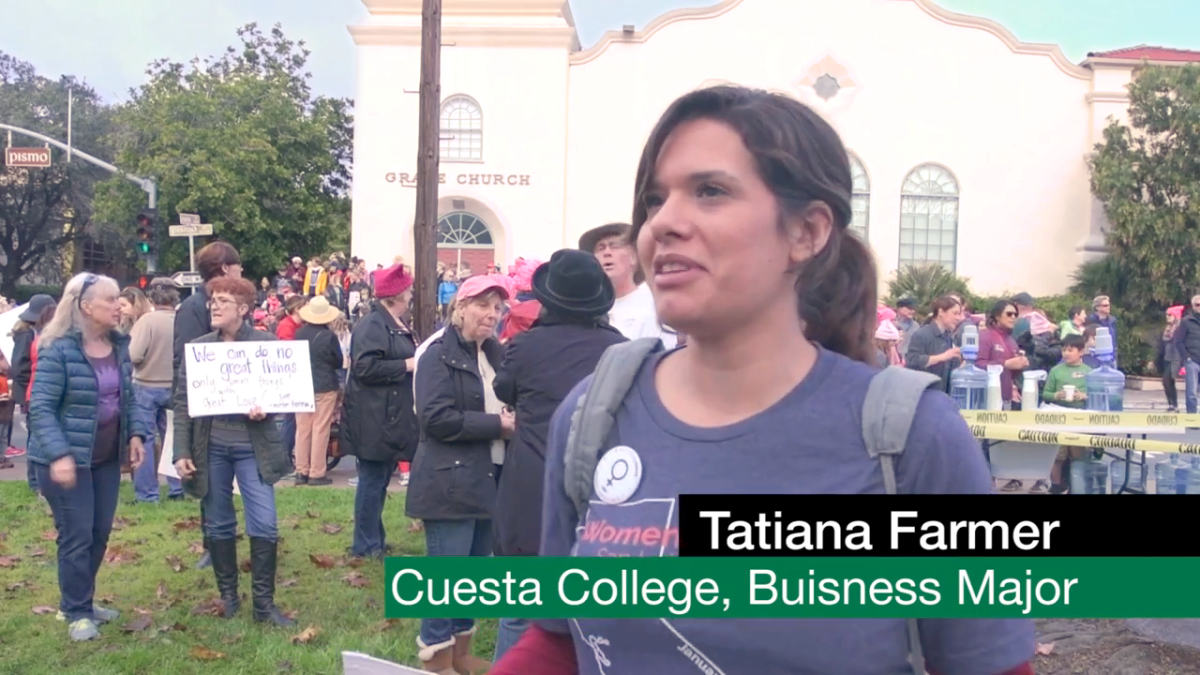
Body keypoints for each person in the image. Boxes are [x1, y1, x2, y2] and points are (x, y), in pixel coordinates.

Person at [491, 85, 1034, 675]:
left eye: (710, 191)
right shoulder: (593, 414)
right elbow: (558, 640)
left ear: (807, 232)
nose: (663, 222)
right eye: (654, 199)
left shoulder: (913, 440)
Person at [490, 250, 627, 661]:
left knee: (520, 608)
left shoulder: (525, 347)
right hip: (599, 488)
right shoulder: (620, 351)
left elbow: (504, 390)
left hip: (532, 482)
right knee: (594, 611)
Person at [27, 273, 148, 641]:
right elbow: (41, 408)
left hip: (105, 459)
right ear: (85, 307)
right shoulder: (58, 349)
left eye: (119, 300)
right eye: (110, 300)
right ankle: (75, 611)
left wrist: (137, 433)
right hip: (65, 462)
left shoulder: (118, 344)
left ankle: (83, 599)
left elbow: (129, 396)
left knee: (99, 533)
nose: (119, 305)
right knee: (76, 535)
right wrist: (59, 454)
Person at [406, 275, 515, 675]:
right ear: (461, 307)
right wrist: (497, 426)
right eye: (484, 305)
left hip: (489, 476)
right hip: (447, 479)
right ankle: (436, 659)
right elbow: (434, 419)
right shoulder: (436, 352)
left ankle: (462, 653)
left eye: (498, 307)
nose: (492, 315)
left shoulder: (494, 352)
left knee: (471, 574)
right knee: (446, 574)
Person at [173, 276, 294, 627]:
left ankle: (263, 604)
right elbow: (183, 403)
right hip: (210, 448)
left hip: (252, 448)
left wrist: (266, 409)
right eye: (213, 299)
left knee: (265, 522)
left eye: (223, 300)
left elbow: (283, 394)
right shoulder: (199, 347)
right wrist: (181, 449)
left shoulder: (266, 345)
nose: (214, 305)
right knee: (218, 521)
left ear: (243, 309)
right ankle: (228, 597)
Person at [173, 240, 242, 571]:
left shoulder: (229, 305)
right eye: (238, 266)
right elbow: (185, 359)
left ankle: (223, 539)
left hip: (232, 410)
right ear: (226, 268)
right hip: (206, 410)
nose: (242, 272)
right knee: (208, 480)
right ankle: (211, 543)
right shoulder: (193, 308)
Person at [343, 263, 419, 559]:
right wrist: (406, 365)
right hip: (373, 418)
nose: (412, 295)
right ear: (396, 296)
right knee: (372, 482)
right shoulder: (373, 325)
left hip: (387, 417)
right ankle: (365, 545)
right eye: (408, 290)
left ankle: (374, 538)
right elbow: (364, 367)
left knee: (378, 481)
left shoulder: (389, 322)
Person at [579, 222, 677, 349]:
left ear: (634, 258)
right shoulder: (587, 311)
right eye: (600, 248)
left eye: (614, 246)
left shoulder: (656, 305)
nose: (607, 252)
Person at [130, 279, 184, 502]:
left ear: (151, 298)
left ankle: (148, 494)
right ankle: (178, 488)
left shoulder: (147, 321)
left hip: (146, 385)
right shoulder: (183, 321)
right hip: (175, 385)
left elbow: (134, 355)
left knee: (145, 440)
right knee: (174, 438)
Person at [294, 296, 344, 486]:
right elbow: (338, 361)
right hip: (324, 385)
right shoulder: (328, 336)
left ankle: (301, 470)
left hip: (302, 384)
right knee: (320, 428)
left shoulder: (299, 333)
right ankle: (317, 472)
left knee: (303, 429)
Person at [1042, 334, 1091, 494]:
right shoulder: (1056, 371)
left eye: (1070, 350)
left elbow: (1095, 394)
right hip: (1059, 418)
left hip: (1080, 419)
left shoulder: (1089, 372)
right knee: (1058, 455)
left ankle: (1076, 485)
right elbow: (1046, 394)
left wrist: (1083, 396)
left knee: (1077, 455)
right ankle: (1056, 485)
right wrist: (1056, 395)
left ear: (1081, 352)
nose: (1066, 353)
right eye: (1064, 350)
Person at [904, 295, 962, 392]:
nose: (958, 318)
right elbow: (912, 361)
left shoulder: (949, 336)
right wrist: (942, 357)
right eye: (955, 313)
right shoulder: (922, 334)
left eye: (959, 314)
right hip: (924, 393)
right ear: (941, 312)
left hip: (943, 394)